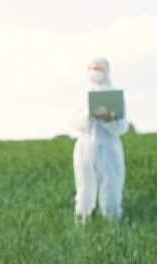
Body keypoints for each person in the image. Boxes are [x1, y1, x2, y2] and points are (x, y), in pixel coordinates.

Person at [72, 57, 128, 222]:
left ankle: (111, 222)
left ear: (106, 71)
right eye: (91, 68)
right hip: (85, 147)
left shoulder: (115, 95)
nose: (94, 72)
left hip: (109, 147)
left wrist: (109, 120)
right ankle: (82, 220)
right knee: (84, 186)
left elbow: (122, 126)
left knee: (111, 185)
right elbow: (74, 122)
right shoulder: (83, 97)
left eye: (98, 69)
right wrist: (89, 115)